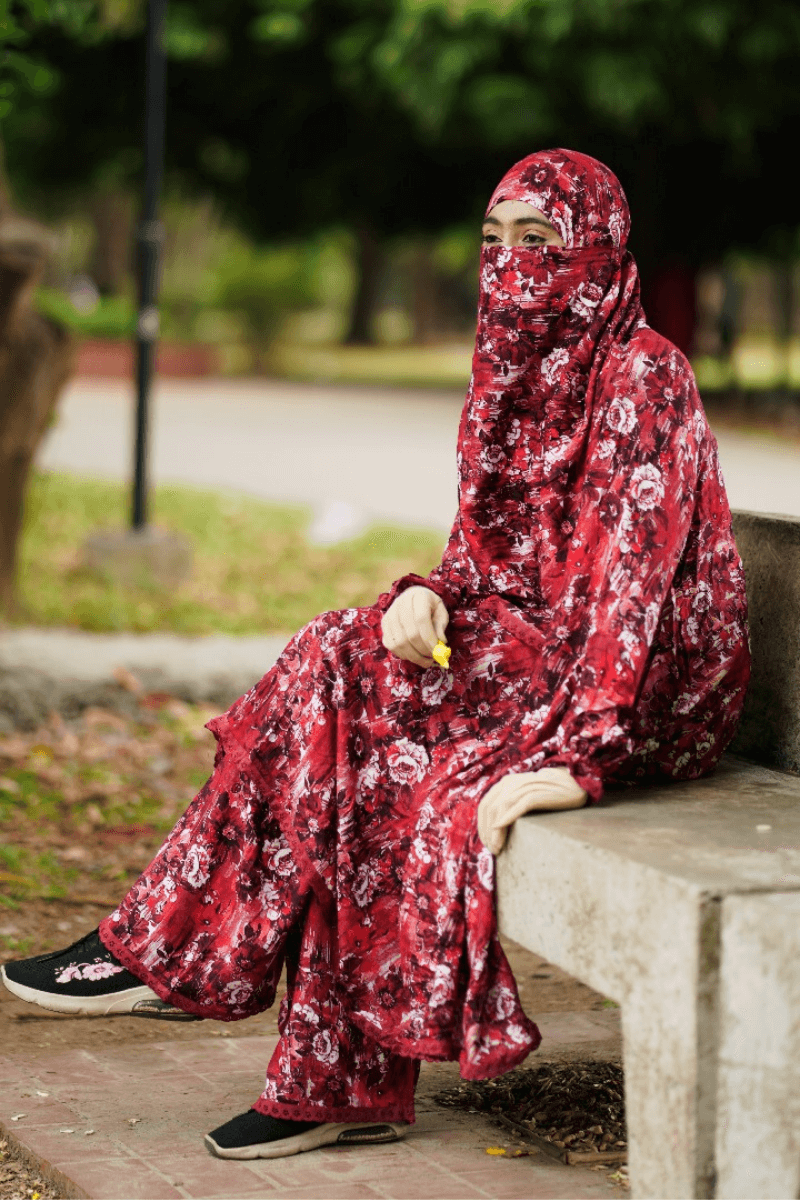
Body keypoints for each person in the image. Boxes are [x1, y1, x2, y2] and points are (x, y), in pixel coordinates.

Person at [1, 149, 750, 1162]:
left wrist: (577, 759)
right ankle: (296, 1053)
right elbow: (484, 560)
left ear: (598, 254)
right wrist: (425, 598)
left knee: (372, 734)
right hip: (537, 657)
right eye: (493, 241)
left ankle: (193, 961)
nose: (510, 264)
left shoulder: (642, 374)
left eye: (539, 241)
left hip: (641, 693)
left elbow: (631, 590)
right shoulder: (511, 365)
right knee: (342, 679)